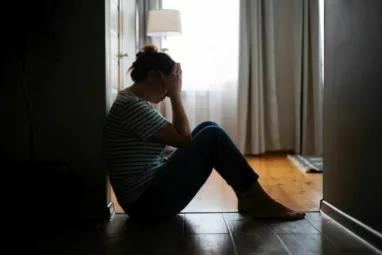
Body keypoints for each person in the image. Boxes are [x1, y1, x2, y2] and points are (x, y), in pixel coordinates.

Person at [104, 44, 305, 221]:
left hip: (146, 199)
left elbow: (177, 139)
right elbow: (183, 139)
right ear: (153, 76)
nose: (166, 93)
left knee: (208, 127)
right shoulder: (133, 107)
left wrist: (173, 91)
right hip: (147, 204)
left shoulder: (130, 103)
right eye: (169, 84)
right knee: (212, 136)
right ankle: (261, 202)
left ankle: (245, 196)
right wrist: (176, 95)